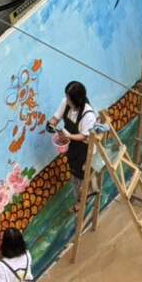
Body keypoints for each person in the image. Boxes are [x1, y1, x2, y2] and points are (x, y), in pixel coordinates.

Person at [47, 81, 97, 210]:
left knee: (83, 174)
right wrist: (51, 125)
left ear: (77, 100)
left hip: (84, 148)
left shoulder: (88, 115)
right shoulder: (66, 103)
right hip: (73, 147)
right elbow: (55, 119)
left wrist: (68, 136)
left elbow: (84, 136)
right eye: (67, 97)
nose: (67, 100)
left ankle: (83, 200)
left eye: (69, 98)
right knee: (75, 174)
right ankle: (85, 195)